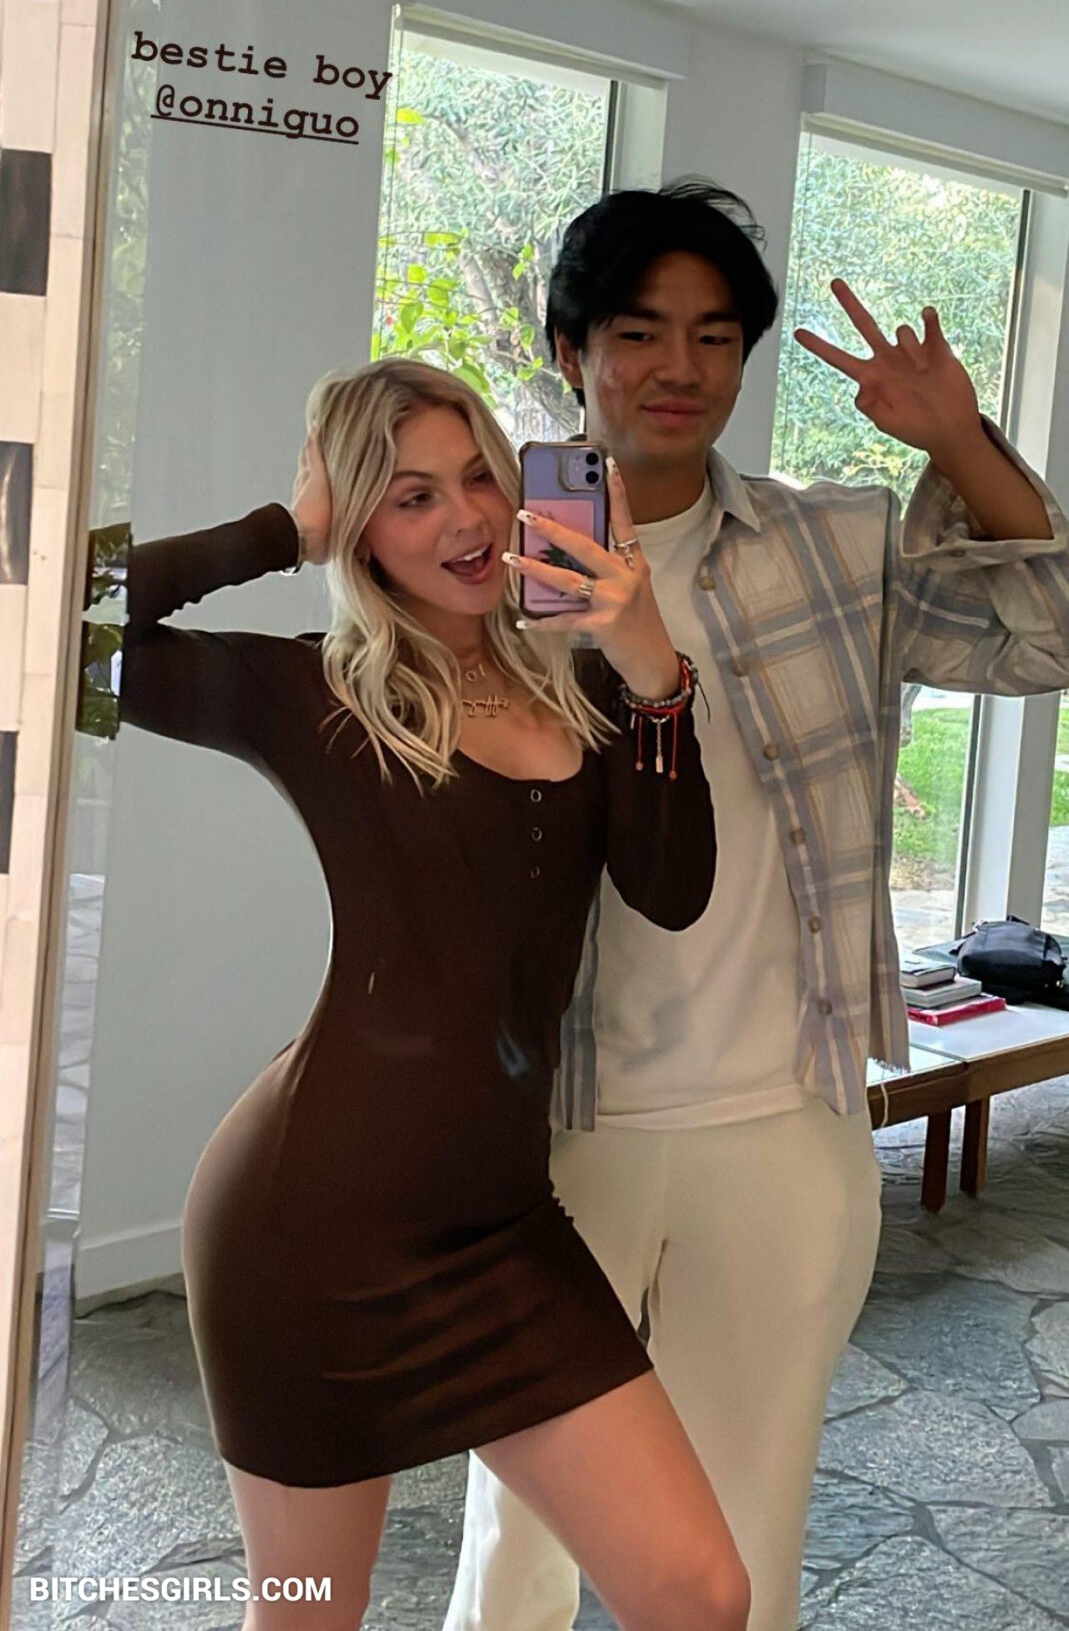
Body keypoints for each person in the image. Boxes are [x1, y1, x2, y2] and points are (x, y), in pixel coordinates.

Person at [444, 180, 1069, 1631]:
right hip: (554, 1124)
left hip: (783, 1117)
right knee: (517, 1529)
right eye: (638, 331)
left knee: (743, 1527)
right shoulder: (488, 565)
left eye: (715, 335)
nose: (679, 367)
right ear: (570, 350)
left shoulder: (833, 542)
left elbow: (1045, 637)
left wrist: (960, 443)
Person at [98, 355, 753, 1631]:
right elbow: (44, 624)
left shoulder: (590, 686)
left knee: (699, 1591)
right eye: (409, 496)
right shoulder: (316, 691)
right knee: (308, 1615)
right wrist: (283, 529)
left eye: (477, 479)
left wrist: (651, 663)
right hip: (309, 1232)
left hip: (503, 1229)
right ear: (358, 524)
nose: (464, 519)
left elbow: (672, 891)